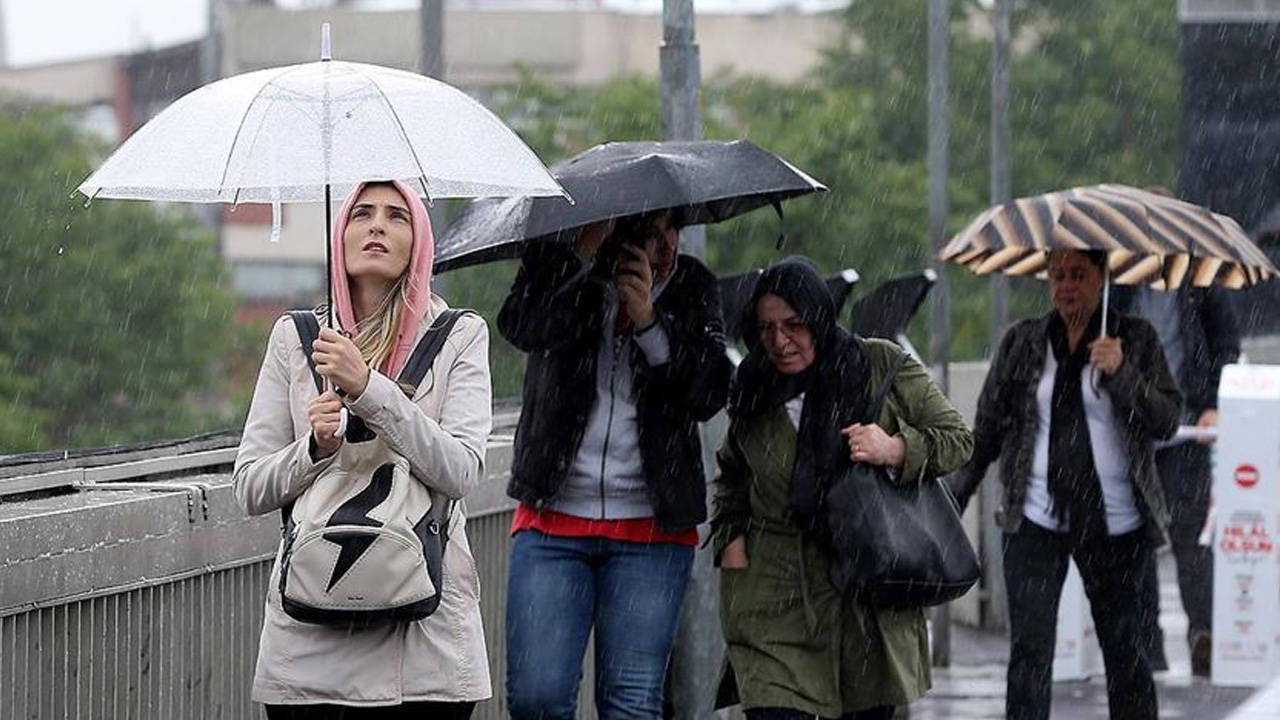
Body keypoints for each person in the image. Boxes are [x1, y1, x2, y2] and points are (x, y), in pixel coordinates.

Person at [233, 180, 492, 719]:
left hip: (424, 645)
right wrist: (315, 447)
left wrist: (368, 388)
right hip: (310, 642)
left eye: (398, 216)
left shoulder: (459, 335)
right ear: (339, 235)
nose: (377, 225)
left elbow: (463, 471)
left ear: (419, 240)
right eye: (362, 214)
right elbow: (250, 487)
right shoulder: (296, 338)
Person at [710, 257, 973, 720]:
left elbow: (957, 440)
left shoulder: (878, 364)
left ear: (819, 317)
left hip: (865, 585)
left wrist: (894, 448)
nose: (779, 341)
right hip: (774, 592)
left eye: (794, 324)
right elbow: (733, 471)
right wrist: (732, 541)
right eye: (766, 327)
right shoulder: (753, 387)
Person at [498, 209, 733, 720]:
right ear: (612, 230)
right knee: (537, 697)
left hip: (651, 529)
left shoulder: (693, 286)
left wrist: (650, 322)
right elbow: (521, 326)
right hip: (553, 521)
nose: (663, 243)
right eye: (646, 231)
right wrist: (578, 258)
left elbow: (708, 393)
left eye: (671, 228)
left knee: (631, 702)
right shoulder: (562, 268)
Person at [948, 249, 1182, 720]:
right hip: (1032, 514)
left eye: (1078, 274)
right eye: (1057, 275)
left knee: (1126, 654)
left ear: (1103, 278)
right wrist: (954, 498)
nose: (1066, 285)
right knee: (1030, 655)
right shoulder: (1023, 341)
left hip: (1115, 522)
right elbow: (988, 429)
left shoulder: (1135, 338)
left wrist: (1122, 373)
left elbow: (1167, 421)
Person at [1112, 279, 1240, 676]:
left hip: (1186, 430)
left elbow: (1226, 344)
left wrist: (1213, 402)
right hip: (1129, 432)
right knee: (1135, 541)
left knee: (1191, 534)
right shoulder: (1117, 286)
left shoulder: (1199, 283)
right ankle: (1147, 646)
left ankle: (1203, 633)